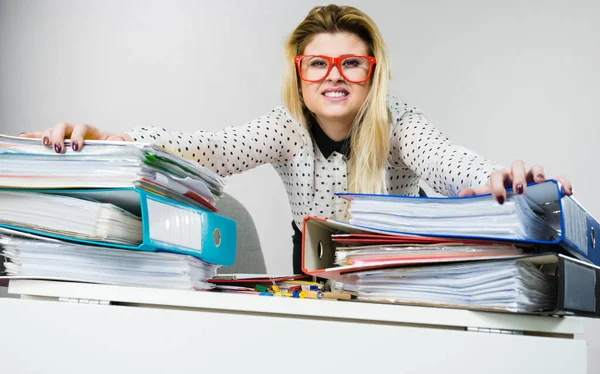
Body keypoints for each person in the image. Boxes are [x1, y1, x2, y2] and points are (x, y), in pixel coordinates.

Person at [20, 4, 572, 273]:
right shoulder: (285, 127)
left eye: (351, 63)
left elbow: (449, 160)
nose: (335, 75)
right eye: (319, 64)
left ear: (372, 73)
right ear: (299, 72)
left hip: (394, 267)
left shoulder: (398, 121)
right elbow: (205, 149)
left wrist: (497, 178)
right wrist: (110, 138)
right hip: (314, 267)